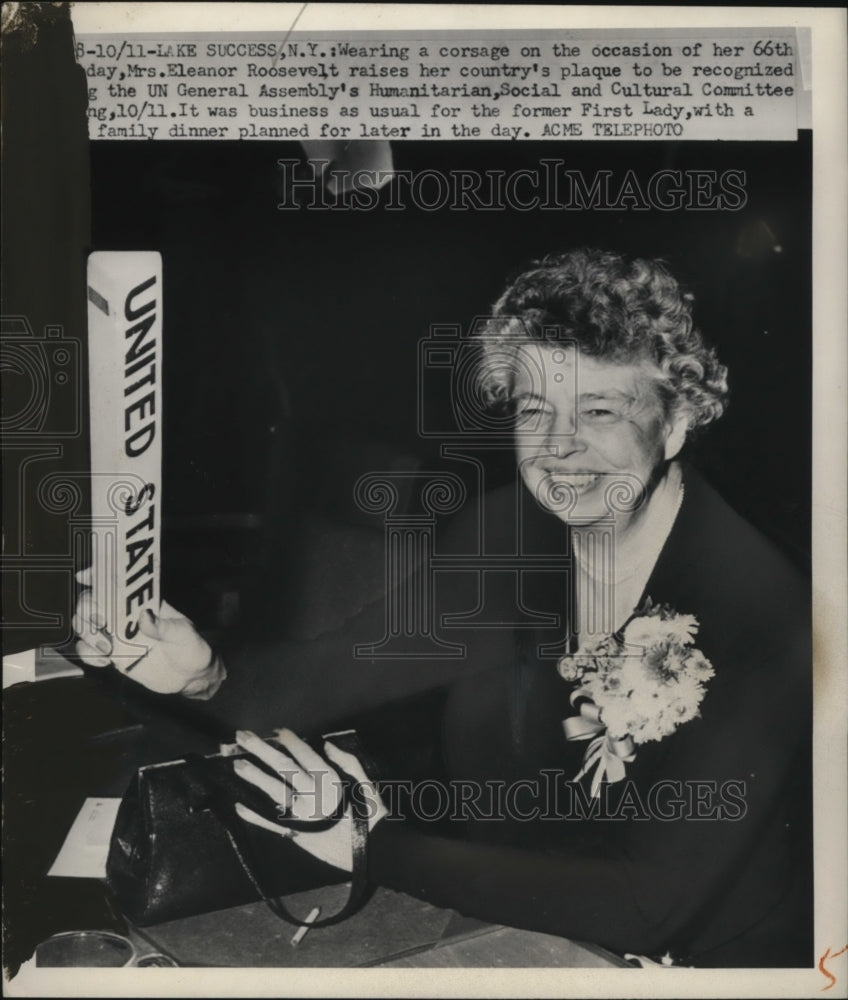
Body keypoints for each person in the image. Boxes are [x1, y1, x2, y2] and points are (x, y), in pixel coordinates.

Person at [74, 249, 812, 967]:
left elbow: (649, 904)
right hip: (502, 931)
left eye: (600, 410)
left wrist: (369, 841)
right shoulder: (507, 533)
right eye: (535, 408)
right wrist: (203, 673)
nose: (561, 447)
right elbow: (337, 669)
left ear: (676, 423)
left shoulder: (759, 609)